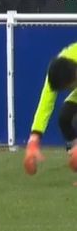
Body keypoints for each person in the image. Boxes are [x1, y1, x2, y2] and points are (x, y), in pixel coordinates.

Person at [23, 43, 77, 175]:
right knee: (65, 118)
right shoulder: (55, 72)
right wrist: (33, 141)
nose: (68, 91)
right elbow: (45, 105)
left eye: (68, 88)